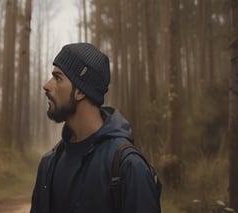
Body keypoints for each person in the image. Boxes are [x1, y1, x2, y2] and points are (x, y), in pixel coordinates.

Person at [30, 43, 161, 213]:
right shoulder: (48, 165)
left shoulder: (128, 168)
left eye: (58, 77)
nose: (47, 85)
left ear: (80, 92)